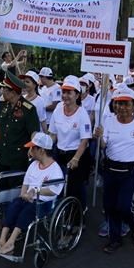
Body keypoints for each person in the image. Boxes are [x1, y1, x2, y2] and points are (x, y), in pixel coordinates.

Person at [95, 86, 134, 253]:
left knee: (123, 206)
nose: (121, 107)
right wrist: (99, 136)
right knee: (109, 205)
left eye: (125, 103)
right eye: (118, 103)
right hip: (110, 169)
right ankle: (114, 239)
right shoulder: (107, 122)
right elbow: (103, 145)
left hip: (129, 172)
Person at [0, 132, 64, 256]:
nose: (30, 150)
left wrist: (35, 191)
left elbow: (54, 190)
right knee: (15, 204)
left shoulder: (55, 169)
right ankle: (3, 238)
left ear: (42, 150)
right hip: (29, 197)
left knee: (28, 210)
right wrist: (23, 195)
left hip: (44, 202)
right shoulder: (33, 165)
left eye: (33, 148)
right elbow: (26, 183)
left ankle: (11, 241)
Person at [48, 75, 92, 209]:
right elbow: (52, 134)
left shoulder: (82, 114)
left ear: (77, 95)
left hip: (77, 154)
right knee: (57, 185)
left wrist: (76, 158)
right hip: (60, 153)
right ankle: (62, 214)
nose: (65, 95)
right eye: (64, 92)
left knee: (75, 188)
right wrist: (44, 151)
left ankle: (80, 217)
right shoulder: (58, 109)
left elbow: (85, 140)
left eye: (69, 92)